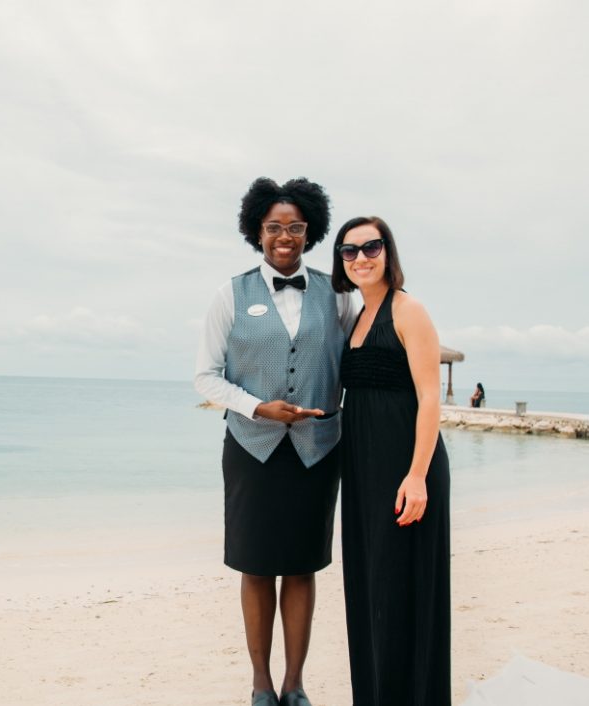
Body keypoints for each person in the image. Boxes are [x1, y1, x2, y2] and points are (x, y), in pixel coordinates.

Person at [194, 177, 355, 706]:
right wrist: (256, 406)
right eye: (273, 228)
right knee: (257, 565)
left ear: (309, 233)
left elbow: (364, 354)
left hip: (317, 450)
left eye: (295, 227)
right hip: (251, 449)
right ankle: (262, 683)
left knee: (303, 565)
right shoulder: (229, 294)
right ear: (257, 232)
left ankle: (295, 683)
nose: (284, 236)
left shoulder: (340, 294)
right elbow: (206, 377)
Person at [332, 216, 451, 706]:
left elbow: (429, 398)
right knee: (370, 587)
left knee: (404, 590)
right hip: (362, 471)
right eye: (349, 251)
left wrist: (418, 476)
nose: (361, 257)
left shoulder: (409, 310)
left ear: (388, 252)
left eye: (371, 246)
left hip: (407, 470)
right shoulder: (356, 318)